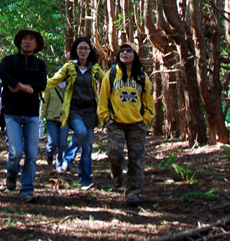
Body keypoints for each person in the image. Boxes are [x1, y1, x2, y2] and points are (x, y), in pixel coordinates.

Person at [97, 41, 154, 208]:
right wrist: (106, 117)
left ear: (134, 55)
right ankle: (117, 176)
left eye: (129, 51)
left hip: (137, 125)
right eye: (122, 51)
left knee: (136, 161)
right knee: (115, 154)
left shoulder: (142, 77)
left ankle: (133, 193)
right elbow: (103, 98)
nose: (125, 53)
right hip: (116, 123)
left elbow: (148, 101)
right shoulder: (112, 74)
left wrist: (146, 119)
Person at [45, 36, 105, 189]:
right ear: (75, 51)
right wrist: (35, 87)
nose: (83, 51)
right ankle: (68, 158)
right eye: (80, 48)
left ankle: (85, 179)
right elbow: (53, 80)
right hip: (74, 109)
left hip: (90, 110)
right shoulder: (69, 68)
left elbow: (107, 82)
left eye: (86, 48)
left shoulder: (94, 68)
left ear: (90, 51)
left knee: (88, 147)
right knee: (80, 131)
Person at [0, 28, 47, 202]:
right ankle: (11, 173)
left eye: (31, 39)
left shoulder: (39, 64)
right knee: (16, 152)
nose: (27, 41)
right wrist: (18, 85)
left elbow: (42, 83)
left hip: (32, 113)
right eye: (24, 38)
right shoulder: (9, 60)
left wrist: (26, 87)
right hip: (12, 113)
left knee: (32, 155)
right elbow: (3, 73)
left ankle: (27, 189)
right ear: (19, 42)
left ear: (36, 44)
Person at [41, 77, 68, 170]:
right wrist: (41, 117)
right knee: (53, 142)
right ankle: (49, 154)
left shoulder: (68, 87)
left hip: (64, 120)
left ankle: (59, 165)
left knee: (63, 144)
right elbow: (44, 103)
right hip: (51, 119)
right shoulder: (50, 86)